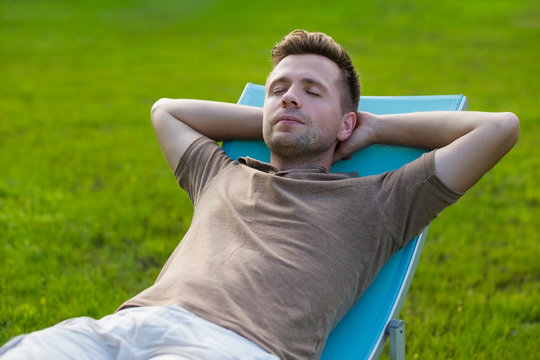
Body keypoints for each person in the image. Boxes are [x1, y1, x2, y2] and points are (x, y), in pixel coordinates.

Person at [0, 30, 519, 360]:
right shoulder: (218, 173)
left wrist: (373, 127)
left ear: (347, 122)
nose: (290, 94)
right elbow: (165, 110)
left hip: (232, 346)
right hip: (125, 325)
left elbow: (499, 128)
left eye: (312, 91)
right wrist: (282, 120)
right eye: (279, 89)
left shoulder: (382, 202)